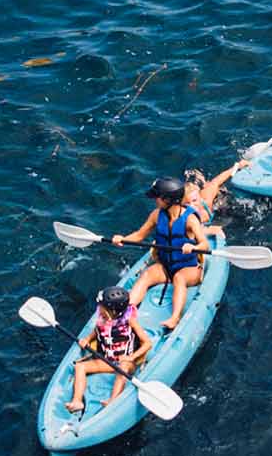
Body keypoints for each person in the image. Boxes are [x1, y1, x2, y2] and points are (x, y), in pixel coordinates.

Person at [110, 177, 212, 332]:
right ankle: (124, 310)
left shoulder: (190, 219)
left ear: (168, 199)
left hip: (189, 268)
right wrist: (122, 239)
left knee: (179, 278)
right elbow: (139, 236)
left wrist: (192, 247)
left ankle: (175, 318)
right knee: (147, 275)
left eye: (157, 197)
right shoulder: (157, 215)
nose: (155, 200)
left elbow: (204, 244)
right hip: (166, 266)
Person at [63, 287, 155, 414]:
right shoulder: (102, 318)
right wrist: (87, 339)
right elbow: (98, 331)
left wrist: (131, 357)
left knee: (122, 367)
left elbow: (147, 343)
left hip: (126, 363)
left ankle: (113, 400)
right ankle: (77, 401)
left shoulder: (129, 321)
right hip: (107, 361)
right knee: (80, 367)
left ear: (112, 311)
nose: (99, 308)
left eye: (101, 306)